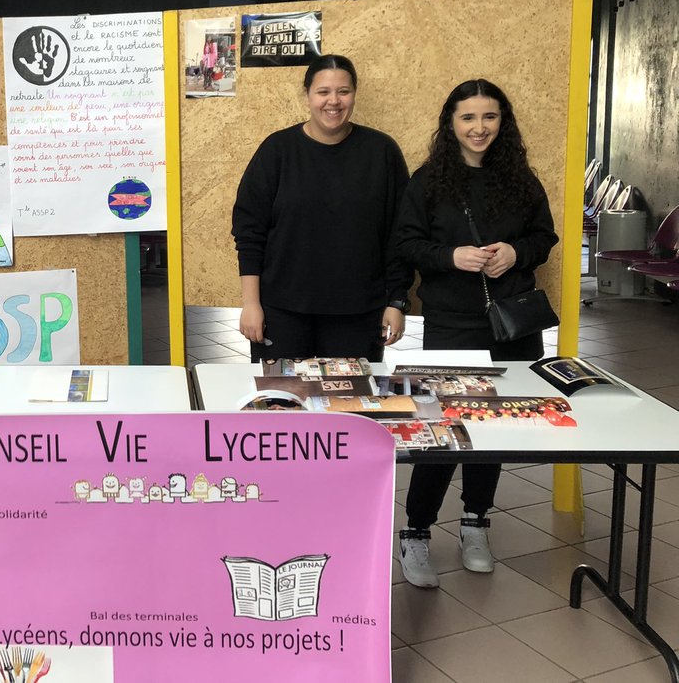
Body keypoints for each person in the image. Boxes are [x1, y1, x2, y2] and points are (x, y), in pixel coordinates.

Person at [393, 78, 558, 589]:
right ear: (451, 123)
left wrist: (516, 252)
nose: (479, 127)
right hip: (452, 323)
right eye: (468, 117)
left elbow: (544, 237)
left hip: (511, 327)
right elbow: (405, 244)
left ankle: (475, 522)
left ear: (502, 122)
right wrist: (451, 257)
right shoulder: (428, 182)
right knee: (444, 431)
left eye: (489, 117)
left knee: (493, 429)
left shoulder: (521, 180)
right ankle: (416, 532)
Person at [232, 54, 412, 364]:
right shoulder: (277, 150)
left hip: (358, 313)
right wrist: (251, 304)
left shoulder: (381, 151)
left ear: (354, 94)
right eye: (323, 92)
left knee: (353, 395)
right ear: (307, 95)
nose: (334, 101)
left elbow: (400, 234)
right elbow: (249, 232)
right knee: (281, 394)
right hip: (282, 310)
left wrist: (396, 301)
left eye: (343, 91)